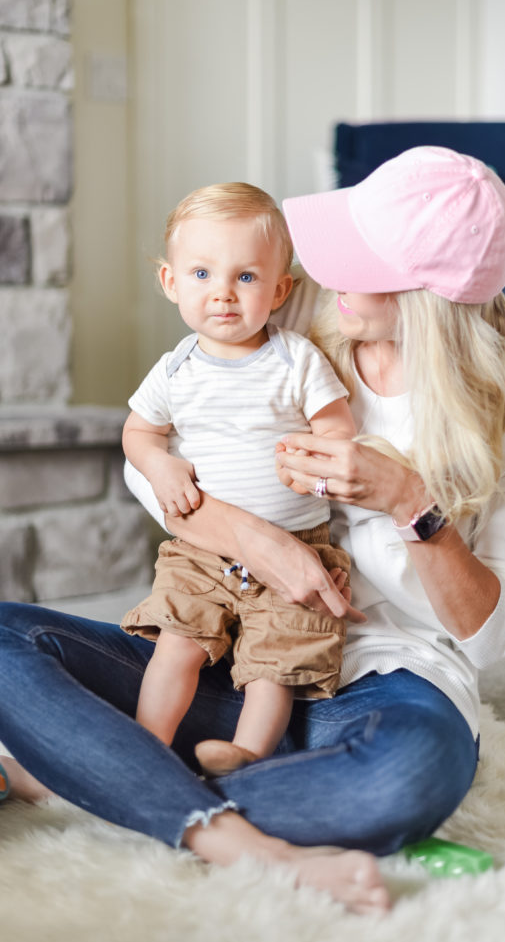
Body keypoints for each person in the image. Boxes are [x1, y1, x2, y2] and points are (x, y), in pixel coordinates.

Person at [0, 146, 505, 915]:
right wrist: (263, 543)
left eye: (358, 257)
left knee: (404, 780)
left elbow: (493, 635)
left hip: (387, 684)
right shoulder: (296, 311)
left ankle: (86, 770)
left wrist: (411, 505)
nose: (329, 270)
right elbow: (147, 459)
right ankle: (238, 837)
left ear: (426, 293)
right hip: (226, 647)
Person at [120, 182, 359, 776]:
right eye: (201, 274)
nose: (223, 294)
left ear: (279, 290)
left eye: (246, 278)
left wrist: (319, 459)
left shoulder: (295, 358)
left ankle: (246, 754)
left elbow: (339, 431)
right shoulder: (174, 370)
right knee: (176, 643)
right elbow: (137, 435)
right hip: (199, 553)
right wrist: (161, 464)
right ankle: (147, 745)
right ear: (171, 282)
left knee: (275, 664)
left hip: (297, 551)